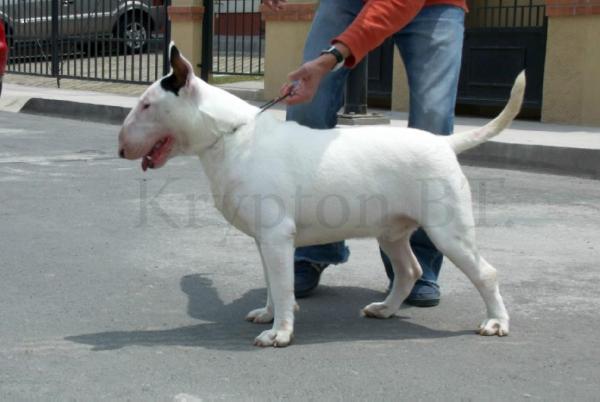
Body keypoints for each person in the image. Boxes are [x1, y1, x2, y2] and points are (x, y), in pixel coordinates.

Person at [266, 0, 467, 306]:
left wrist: (332, 56)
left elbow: (393, 4)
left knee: (432, 122)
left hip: (434, 5)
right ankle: (316, 248)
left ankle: (418, 264)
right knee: (308, 108)